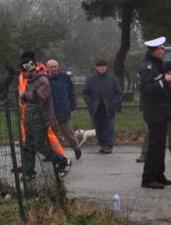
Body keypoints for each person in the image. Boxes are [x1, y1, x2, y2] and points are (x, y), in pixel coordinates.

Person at [17, 51, 70, 179]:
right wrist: (23, 98)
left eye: (24, 72)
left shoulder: (43, 81)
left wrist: (25, 95)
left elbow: (39, 98)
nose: (22, 75)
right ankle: (29, 172)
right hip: (31, 118)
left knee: (42, 146)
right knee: (28, 146)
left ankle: (62, 161)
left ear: (30, 69)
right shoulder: (31, 80)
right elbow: (28, 99)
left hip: (42, 119)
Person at [138, 36, 171, 189]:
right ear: (155, 51)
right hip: (154, 112)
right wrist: (164, 81)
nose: (163, 51)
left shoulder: (156, 64)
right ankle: (148, 178)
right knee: (154, 146)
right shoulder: (147, 67)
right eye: (161, 49)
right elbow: (146, 88)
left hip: (161, 112)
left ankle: (159, 175)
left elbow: (166, 66)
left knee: (160, 145)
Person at [82, 59, 123, 154]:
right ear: (96, 67)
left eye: (104, 66)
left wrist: (114, 103)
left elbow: (118, 93)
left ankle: (108, 146)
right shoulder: (91, 79)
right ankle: (102, 144)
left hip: (109, 108)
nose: (102, 67)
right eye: (100, 66)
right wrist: (90, 103)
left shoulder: (113, 78)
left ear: (106, 67)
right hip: (96, 108)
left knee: (109, 128)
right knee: (99, 129)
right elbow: (85, 93)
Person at [45, 59, 82, 159]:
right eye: (51, 67)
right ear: (47, 68)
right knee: (52, 134)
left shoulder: (65, 77)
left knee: (68, 132)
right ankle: (53, 154)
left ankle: (76, 148)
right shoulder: (44, 78)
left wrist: (73, 106)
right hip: (50, 110)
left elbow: (71, 93)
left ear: (58, 66)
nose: (53, 69)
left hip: (63, 108)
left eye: (55, 66)